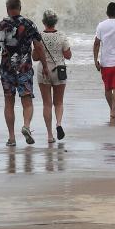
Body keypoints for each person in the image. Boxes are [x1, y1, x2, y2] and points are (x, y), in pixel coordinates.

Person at [0, 0, 46, 146]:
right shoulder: (29, 24)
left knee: (9, 102)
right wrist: (44, 65)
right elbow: (38, 46)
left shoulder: (1, 25)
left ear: (7, 9)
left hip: (7, 70)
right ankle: (26, 126)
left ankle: (11, 138)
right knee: (27, 102)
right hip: (24, 69)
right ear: (20, 8)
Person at [36, 9, 72, 143]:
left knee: (47, 104)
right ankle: (58, 123)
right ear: (55, 21)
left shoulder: (39, 36)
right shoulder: (62, 35)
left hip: (43, 71)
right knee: (59, 102)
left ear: (43, 22)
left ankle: (50, 135)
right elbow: (68, 55)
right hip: (59, 70)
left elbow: (34, 56)